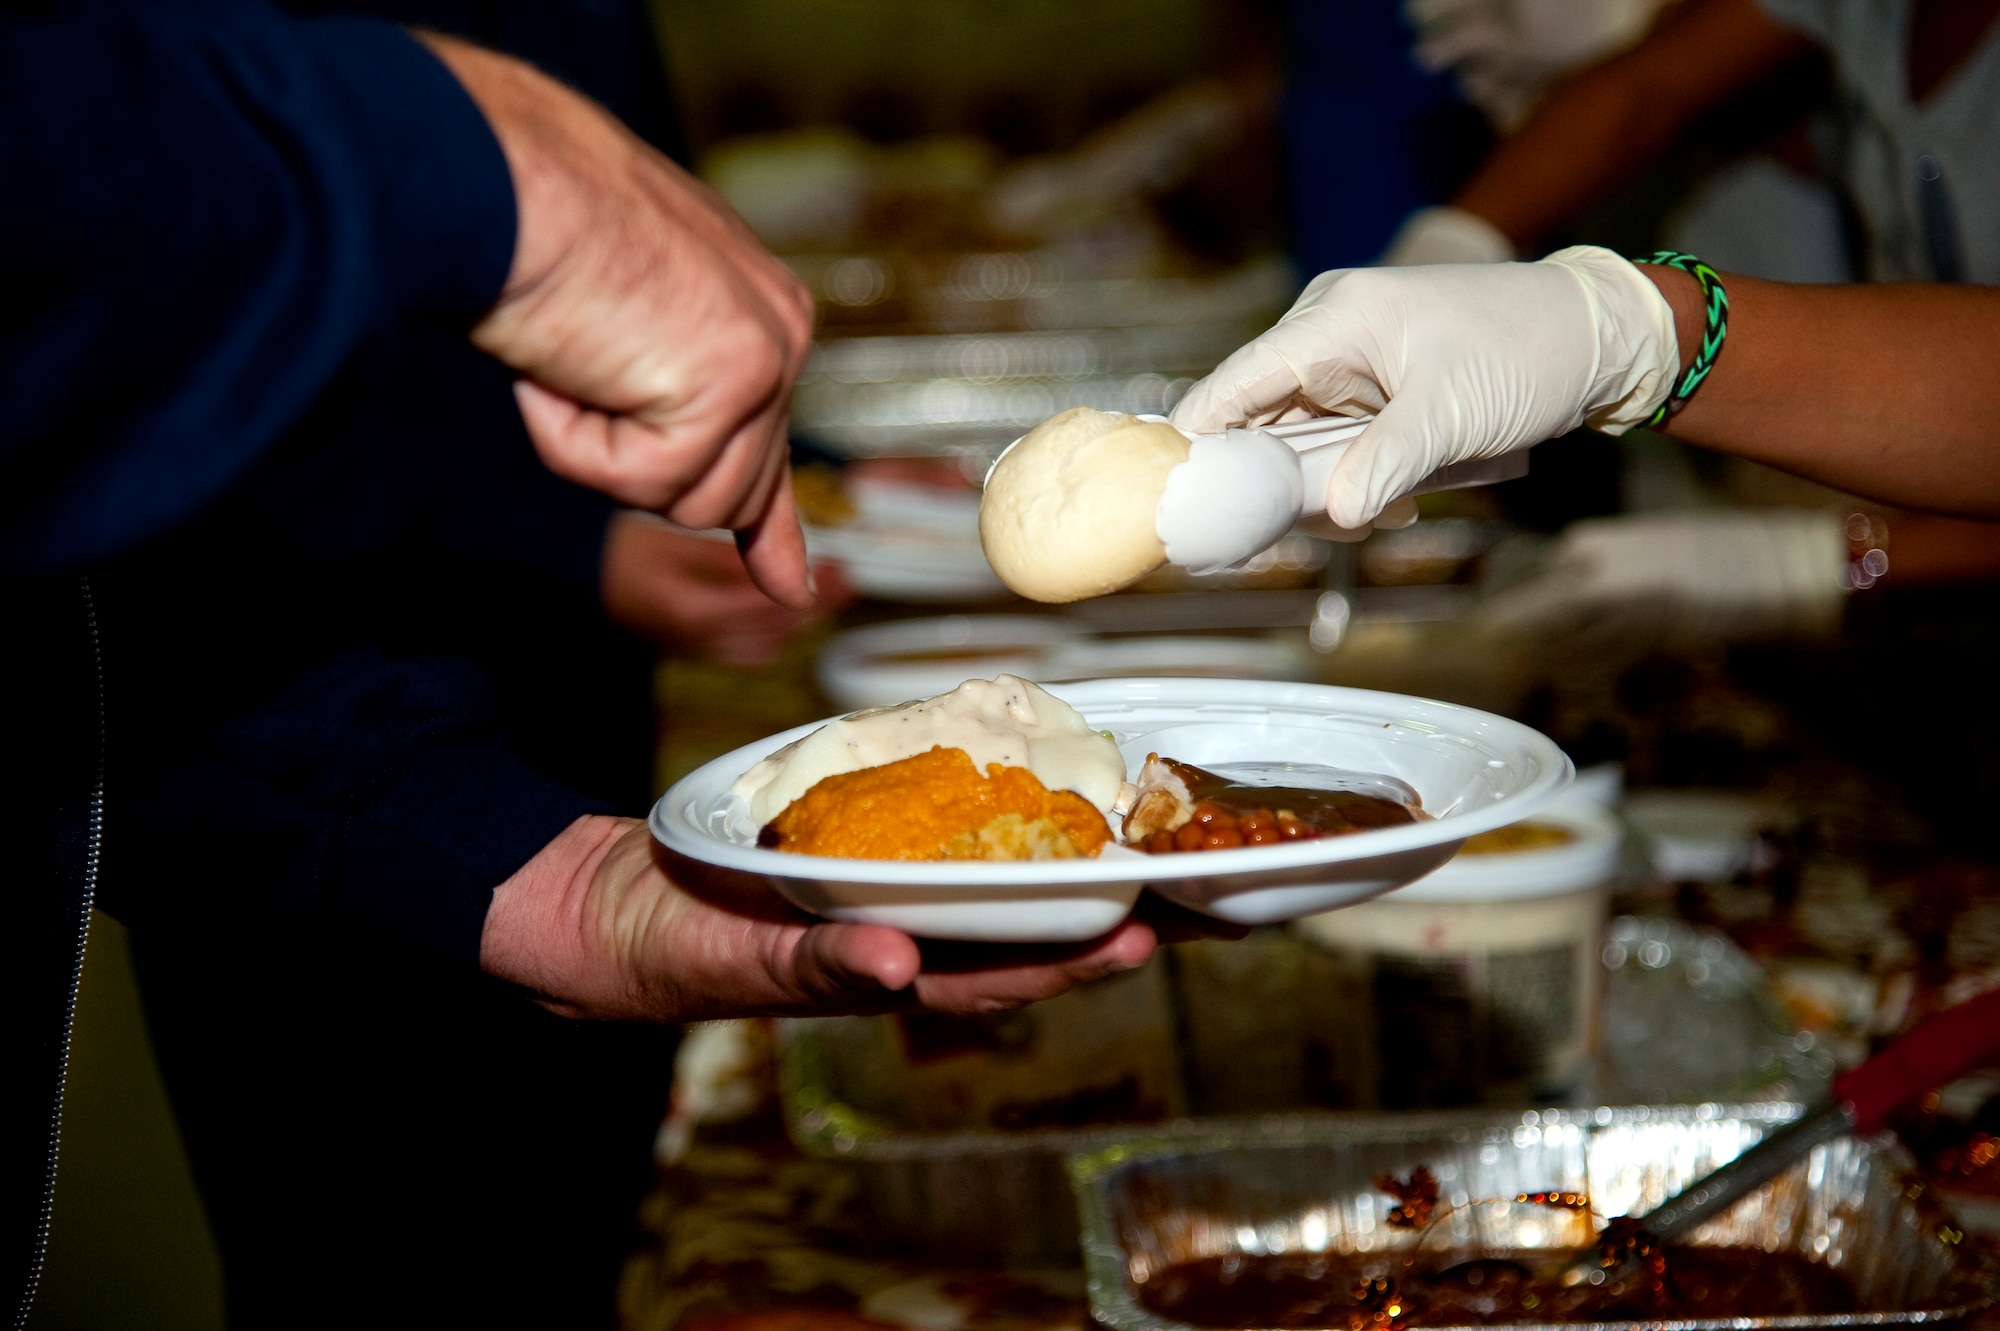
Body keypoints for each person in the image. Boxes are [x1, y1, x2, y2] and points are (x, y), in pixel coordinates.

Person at [4, 0, 1163, 1323]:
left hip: (400, 766)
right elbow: (134, 287)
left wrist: (527, 867)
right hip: (386, 665)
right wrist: (452, 149)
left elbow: (88, 585)